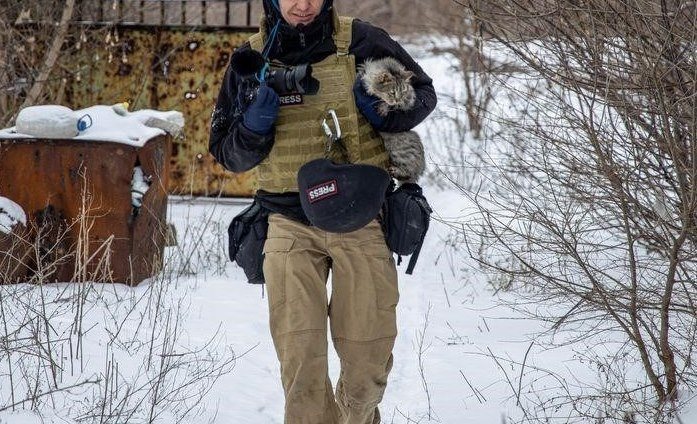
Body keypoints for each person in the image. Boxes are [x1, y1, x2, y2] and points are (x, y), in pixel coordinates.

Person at [209, 0, 436, 422]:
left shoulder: (361, 40)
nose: (303, 5)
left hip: (361, 216)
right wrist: (254, 127)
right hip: (287, 221)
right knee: (301, 366)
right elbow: (226, 152)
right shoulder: (251, 56)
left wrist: (381, 107)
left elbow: (423, 96)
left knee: (368, 362)